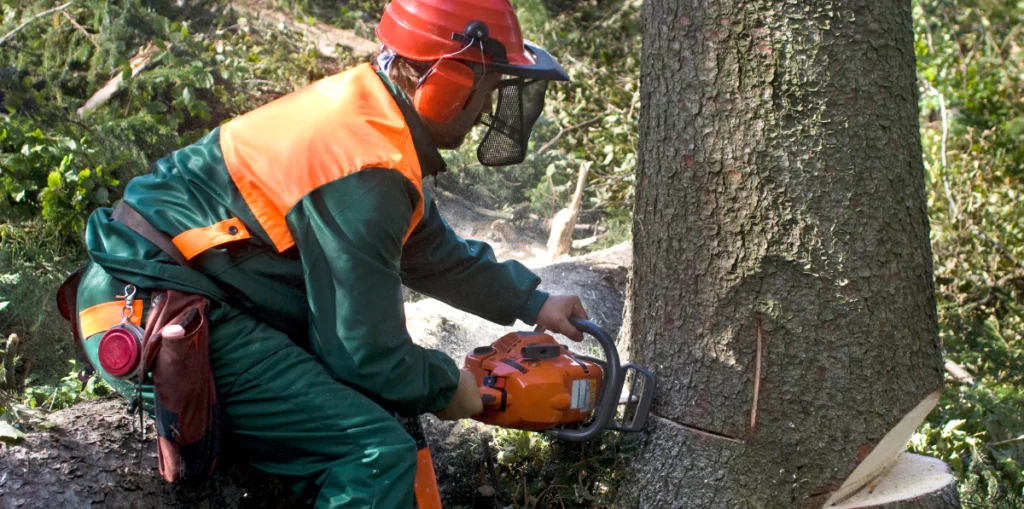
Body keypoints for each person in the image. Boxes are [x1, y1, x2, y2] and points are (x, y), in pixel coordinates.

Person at [62, 0, 588, 506]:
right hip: (159, 309)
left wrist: (535, 302)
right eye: (489, 87)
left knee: (379, 415)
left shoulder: (369, 124)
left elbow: (430, 250)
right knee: (373, 455)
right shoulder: (365, 167)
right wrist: (453, 387)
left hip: (181, 289)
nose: (487, 112)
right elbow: (366, 355)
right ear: (448, 83)